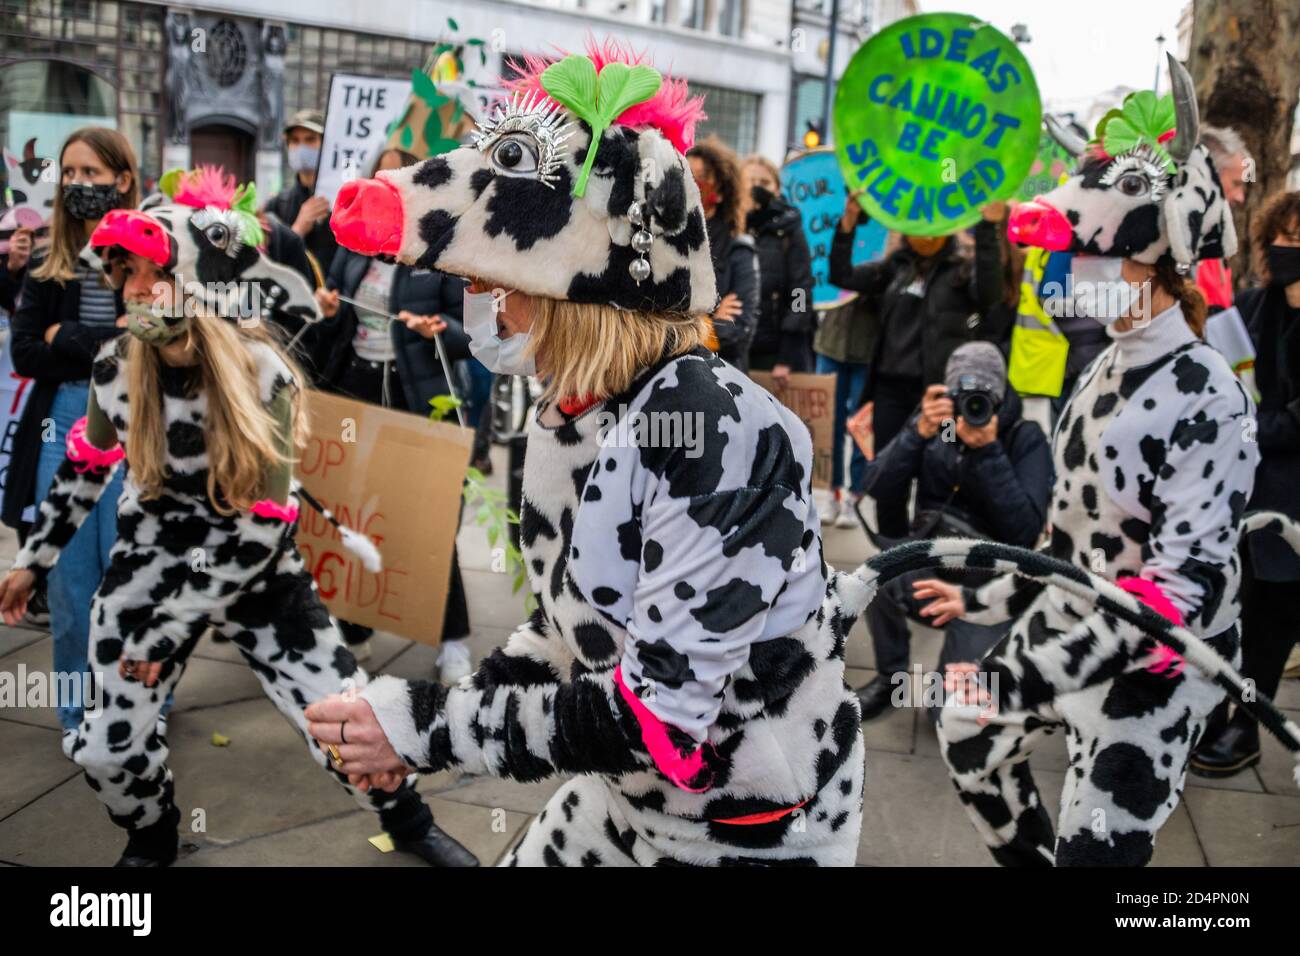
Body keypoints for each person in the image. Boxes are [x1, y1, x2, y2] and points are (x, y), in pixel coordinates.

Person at [317, 42, 867, 865]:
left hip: (743, 832)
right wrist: (460, 708)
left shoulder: (713, 432)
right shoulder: (577, 404)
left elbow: (659, 718)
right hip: (628, 799)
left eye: (500, 284)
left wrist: (425, 726)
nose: (487, 308)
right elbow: (577, 624)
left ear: (582, 289)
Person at [0, 203, 477, 869]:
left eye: (146, 273)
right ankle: (152, 832)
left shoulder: (261, 370)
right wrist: (32, 563)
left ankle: (407, 820)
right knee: (109, 745)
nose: (133, 291)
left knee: (348, 720)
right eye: (121, 277)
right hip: (149, 571)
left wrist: (167, 631)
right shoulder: (114, 368)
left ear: (191, 275)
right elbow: (83, 470)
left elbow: (262, 525)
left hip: (257, 575)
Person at [916, 63, 1254, 865]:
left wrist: (1037, 673)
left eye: (1093, 260)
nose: (1070, 280)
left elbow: (1177, 592)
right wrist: (988, 596)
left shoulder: (1208, 397)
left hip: (1158, 669)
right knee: (964, 724)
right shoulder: (1105, 368)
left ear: (1154, 265)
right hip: (1073, 625)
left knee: (1095, 847)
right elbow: (1071, 538)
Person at [315, 146, 474, 680]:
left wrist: (438, 331)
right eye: (379, 175)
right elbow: (331, 323)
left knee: (429, 522)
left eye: (397, 175)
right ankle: (355, 633)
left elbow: (469, 330)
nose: (387, 183)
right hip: (355, 393)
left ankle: (452, 641)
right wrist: (329, 309)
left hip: (416, 398)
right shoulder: (353, 244)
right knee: (355, 514)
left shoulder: (439, 246)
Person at [4, 128, 137, 756]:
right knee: (67, 578)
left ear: (123, 180)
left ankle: (143, 706)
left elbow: (141, 342)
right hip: (64, 421)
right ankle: (74, 708)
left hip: (139, 424)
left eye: (93, 172)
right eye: (72, 173)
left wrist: (68, 334)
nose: (80, 184)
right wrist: (91, 338)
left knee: (133, 572)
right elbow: (26, 352)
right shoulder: (45, 262)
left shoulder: (148, 255)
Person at [853, 343, 1051, 721]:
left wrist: (989, 453)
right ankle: (889, 677)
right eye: (962, 397)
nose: (969, 410)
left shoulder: (1024, 438)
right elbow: (877, 487)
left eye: (981, 399)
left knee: (943, 713)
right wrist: (916, 431)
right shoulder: (938, 425)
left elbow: (1025, 533)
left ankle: (981, 671)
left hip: (985, 586)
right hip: (932, 561)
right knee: (877, 574)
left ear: (1000, 395)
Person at [1191, 189, 1300, 778]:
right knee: (1229, 610)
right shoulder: (1253, 307)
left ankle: (1248, 723)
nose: (1289, 250)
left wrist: (1256, 426)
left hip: (1292, 502)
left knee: (1274, 621)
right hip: (1240, 491)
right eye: (1282, 239)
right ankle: (1212, 711)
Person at [829, 194, 1006, 538]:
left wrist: (988, 228)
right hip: (889, 396)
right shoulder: (894, 267)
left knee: (938, 476)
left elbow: (990, 294)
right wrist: (848, 224)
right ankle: (892, 562)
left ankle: (926, 561)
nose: (923, 235)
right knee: (888, 483)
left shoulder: (962, 269)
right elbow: (842, 275)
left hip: (939, 397)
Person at [686, 137, 759, 370]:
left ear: (722, 188)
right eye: (687, 173)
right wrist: (712, 320)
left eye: (704, 175)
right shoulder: (664, 241)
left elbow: (738, 331)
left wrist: (689, 326)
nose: (694, 182)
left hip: (723, 375)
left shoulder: (739, 249)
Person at [741, 154, 815, 376]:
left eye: (764, 183)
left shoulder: (790, 231)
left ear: (777, 189)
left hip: (773, 354)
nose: (757, 188)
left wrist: (788, 356)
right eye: (750, 181)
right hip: (732, 347)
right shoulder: (729, 226)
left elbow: (801, 293)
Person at [264, 109, 338, 279]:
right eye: (295, 141)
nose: (301, 147)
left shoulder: (344, 200)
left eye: (310, 139)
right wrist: (296, 231)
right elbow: (269, 263)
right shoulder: (277, 205)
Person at [1194, 125, 1251, 313]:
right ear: (1207, 174)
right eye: (1235, 184)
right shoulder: (1173, 239)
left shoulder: (1213, 236)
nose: (1239, 197)